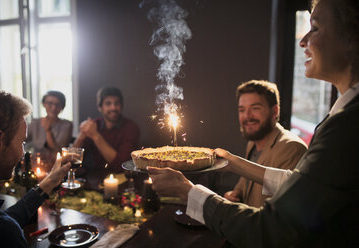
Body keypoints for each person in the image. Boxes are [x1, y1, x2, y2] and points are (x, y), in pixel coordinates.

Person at [148, 0, 359, 246]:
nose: (303, 41)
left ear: (351, 37)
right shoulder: (343, 117)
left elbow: (272, 228)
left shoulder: (347, 127)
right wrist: (232, 163)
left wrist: (187, 191)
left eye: (316, 28)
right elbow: (302, 186)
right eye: (242, 109)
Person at [0, 86, 71, 247]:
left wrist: (50, 181)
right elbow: (3, 225)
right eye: (21, 142)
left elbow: (6, 218)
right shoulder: (2, 231)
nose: (23, 153)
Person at [223, 80, 307, 207]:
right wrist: (235, 194)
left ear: (275, 111)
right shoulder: (252, 143)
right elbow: (244, 183)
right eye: (242, 110)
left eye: (255, 108)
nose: (247, 116)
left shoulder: (292, 148)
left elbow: (284, 209)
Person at [73, 86, 140, 189]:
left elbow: (120, 165)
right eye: (108, 104)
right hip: (95, 181)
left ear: (121, 106)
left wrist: (95, 136)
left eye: (116, 103)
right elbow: (73, 159)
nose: (113, 108)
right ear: (100, 107)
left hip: (123, 183)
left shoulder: (131, 127)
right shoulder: (94, 125)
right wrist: (81, 135)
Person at [26, 90, 73, 162]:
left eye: (58, 104)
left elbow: (57, 151)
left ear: (62, 106)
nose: (54, 108)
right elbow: (22, 139)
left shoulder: (67, 125)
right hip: (36, 162)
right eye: (50, 103)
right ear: (44, 104)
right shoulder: (35, 123)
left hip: (56, 163)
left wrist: (48, 130)